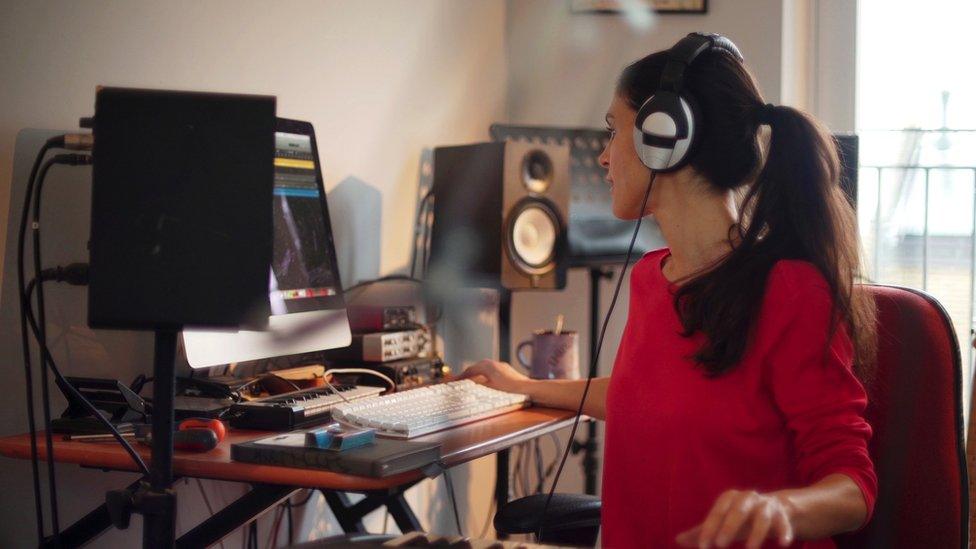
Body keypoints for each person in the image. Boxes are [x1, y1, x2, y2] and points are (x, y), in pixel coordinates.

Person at [461, 33, 877, 548]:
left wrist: (780, 507)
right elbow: (638, 398)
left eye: (615, 132)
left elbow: (853, 488)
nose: (605, 157)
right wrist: (520, 383)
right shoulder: (650, 277)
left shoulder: (791, 292)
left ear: (666, 136)